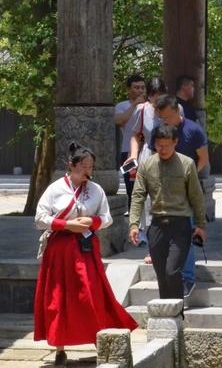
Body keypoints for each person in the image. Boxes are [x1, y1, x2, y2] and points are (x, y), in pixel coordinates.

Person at [34, 142, 137, 366]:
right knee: (58, 297)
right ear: (70, 165)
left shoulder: (96, 190)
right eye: (83, 167)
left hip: (85, 248)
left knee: (91, 293)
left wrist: (92, 221)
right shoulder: (55, 189)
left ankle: (99, 341)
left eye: (90, 167)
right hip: (60, 250)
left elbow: (107, 218)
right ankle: (60, 348)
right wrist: (66, 224)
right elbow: (40, 218)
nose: (87, 171)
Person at [129, 124, 206, 301]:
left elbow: (196, 196)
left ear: (175, 142)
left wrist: (200, 225)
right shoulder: (147, 165)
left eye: (167, 145)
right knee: (162, 275)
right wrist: (133, 224)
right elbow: (138, 196)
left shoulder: (187, 164)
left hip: (180, 224)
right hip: (157, 225)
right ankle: (166, 312)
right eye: (159, 145)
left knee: (172, 271)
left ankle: (177, 310)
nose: (163, 149)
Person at [155, 94, 209, 297]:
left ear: (177, 110)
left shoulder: (193, 130)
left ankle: (187, 277)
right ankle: (171, 275)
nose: (165, 121)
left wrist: (189, 176)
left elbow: (203, 159)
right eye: (162, 118)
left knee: (187, 231)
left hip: (188, 188)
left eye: (168, 117)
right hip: (164, 190)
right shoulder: (159, 131)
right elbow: (154, 157)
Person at [126, 77, 167, 244]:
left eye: (161, 96)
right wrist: (133, 155)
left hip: (169, 155)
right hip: (149, 156)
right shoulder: (142, 110)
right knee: (148, 198)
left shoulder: (175, 108)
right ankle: (151, 238)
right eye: (154, 97)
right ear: (149, 96)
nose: (157, 101)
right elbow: (136, 135)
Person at [114, 74, 146, 211]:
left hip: (146, 151)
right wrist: (134, 104)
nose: (140, 90)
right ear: (128, 89)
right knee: (130, 185)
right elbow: (119, 121)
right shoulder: (122, 106)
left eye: (142, 88)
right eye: (136, 87)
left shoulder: (149, 106)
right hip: (127, 152)